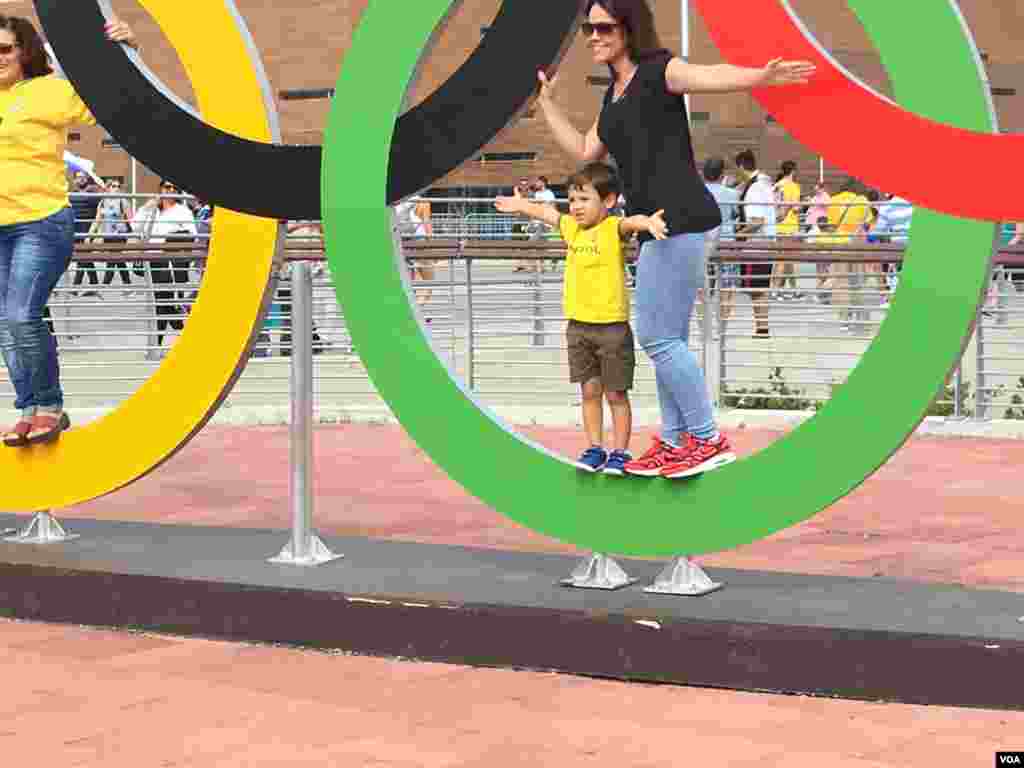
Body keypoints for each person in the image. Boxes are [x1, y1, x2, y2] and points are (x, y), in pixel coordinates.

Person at [534, 0, 813, 478]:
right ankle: (675, 440)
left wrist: (761, 77)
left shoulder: (657, 71)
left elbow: (708, 75)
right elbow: (584, 149)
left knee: (657, 336)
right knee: (669, 338)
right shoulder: (613, 94)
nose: (593, 37)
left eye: (602, 27)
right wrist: (545, 104)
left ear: (628, 27)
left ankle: (705, 437)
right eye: (588, 29)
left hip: (680, 217)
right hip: (656, 226)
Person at [0, 13, 136, 447]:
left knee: (22, 316)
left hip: (39, 222)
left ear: (24, 51)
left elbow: (120, 99)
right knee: (9, 323)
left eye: (4, 49)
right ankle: (29, 407)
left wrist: (127, 50)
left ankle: (50, 407)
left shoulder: (52, 90)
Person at [496, 162, 666, 475]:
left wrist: (649, 224)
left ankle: (620, 452)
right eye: (572, 200)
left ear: (609, 201)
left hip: (612, 328)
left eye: (584, 199)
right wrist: (520, 204)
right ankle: (594, 448)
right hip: (578, 327)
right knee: (589, 391)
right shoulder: (571, 228)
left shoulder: (612, 228)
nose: (575, 207)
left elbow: (632, 223)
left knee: (616, 393)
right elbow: (547, 214)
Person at [131, 179, 197, 354]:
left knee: (163, 303)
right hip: (154, 261)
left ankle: (157, 344)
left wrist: (173, 237)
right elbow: (135, 227)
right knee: (163, 303)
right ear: (160, 189)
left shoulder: (183, 211)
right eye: (167, 187)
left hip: (173, 263)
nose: (170, 190)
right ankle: (183, 335)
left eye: (175, 187)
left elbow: (192, 235)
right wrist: (146, 208)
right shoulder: (152, 210)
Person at [735, 149, 778, 338]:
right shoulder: (766, 184)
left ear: (741, 166)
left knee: (756, 289)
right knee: (759, 287)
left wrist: (738, 236)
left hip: (756, 244)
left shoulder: (753, 189)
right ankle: (762, 327)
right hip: (767, 242)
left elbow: (756, 221)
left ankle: (762, 328)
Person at [702, 156, 740, 330]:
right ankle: (721, 327)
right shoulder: (732, 194)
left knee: (702, 287)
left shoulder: (696, 192)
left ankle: (705, 326)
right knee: (727, 288)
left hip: (702, 243)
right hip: (726, 244)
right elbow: (736, 215)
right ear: (722, 174)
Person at [771, 160, 802, 300]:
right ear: (793, 171)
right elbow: (795, 208)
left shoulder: (776, 185)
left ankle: (794, 289)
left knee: (786, 259)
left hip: (777, 225)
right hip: (789, 226)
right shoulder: (794, 187)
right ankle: (775, 290)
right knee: (784, 260)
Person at [95, 177, 134, 291]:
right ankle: (127, 285)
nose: (116, 189)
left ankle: (105, 285)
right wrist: (91, 234)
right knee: (118, 259)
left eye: (118, 186)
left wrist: (133, 234)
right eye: (113, 186)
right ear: (108, 188)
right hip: (108, 234)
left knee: (113, 258)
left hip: (120, 234)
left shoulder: (123, 201)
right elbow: (97, 219)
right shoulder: (103, 202)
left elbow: (130, 218)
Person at [69, 171, 103, 297]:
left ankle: (75, 286)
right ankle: (94, 285)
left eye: (83, 177)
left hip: (88, 230)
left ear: (87, 179)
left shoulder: (93, 193)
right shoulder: (72, 195)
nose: (81, 179)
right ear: (74, 181)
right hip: (75, 229)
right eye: (78, 177)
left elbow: (101, 207)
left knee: (82, 257)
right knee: (84, 258)